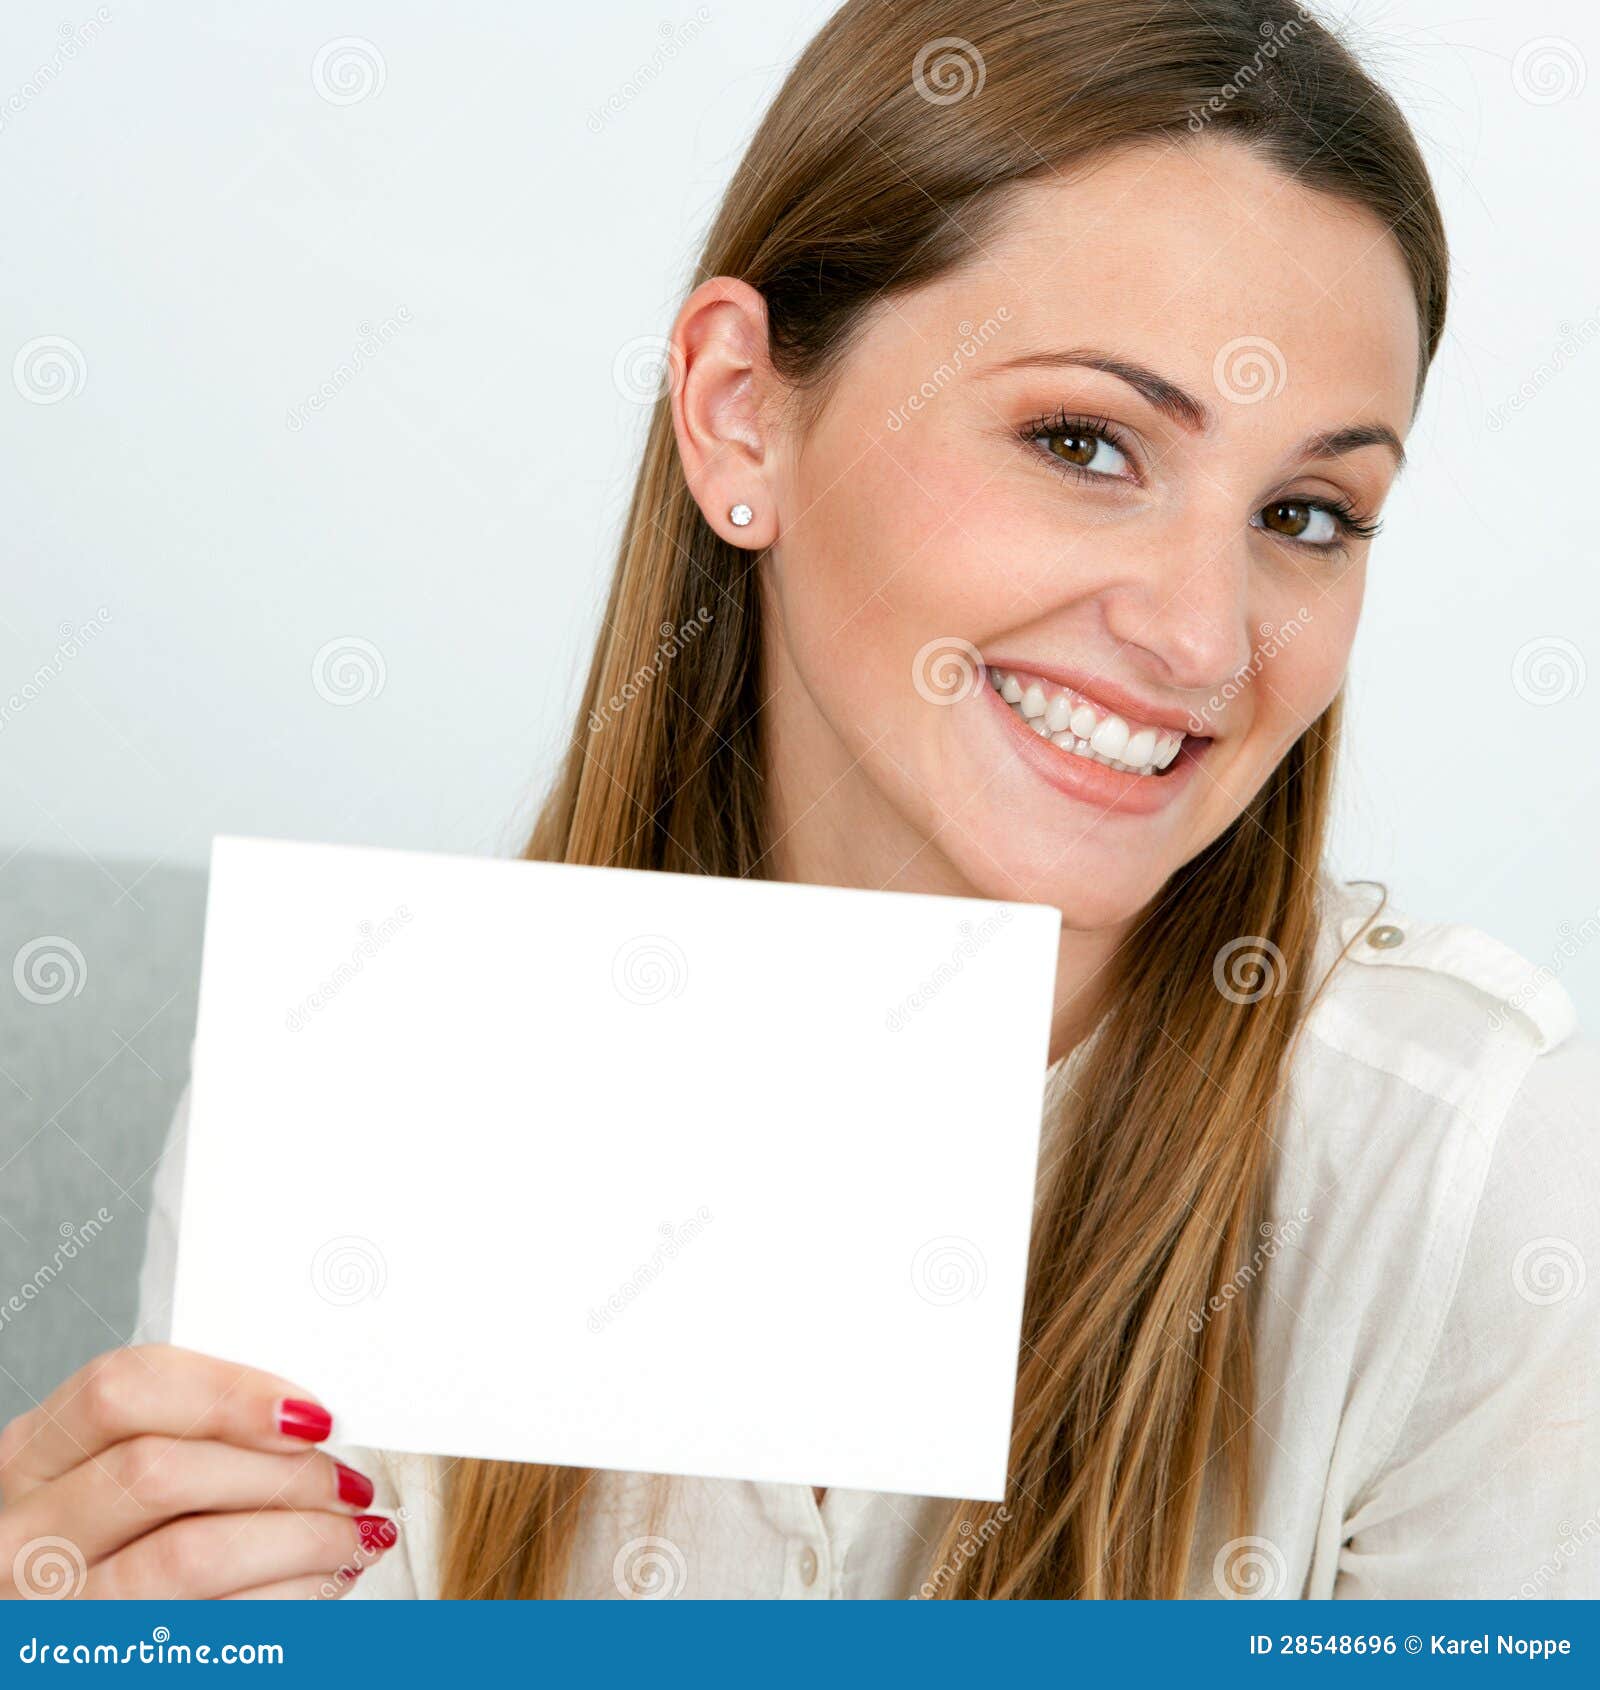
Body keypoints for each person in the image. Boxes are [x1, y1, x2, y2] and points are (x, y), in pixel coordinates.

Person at [4, 0, 1596, 1600]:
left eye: (1310, 515)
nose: (1201, 634)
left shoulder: (1478, 1177)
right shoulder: (363, 1098)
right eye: (1081, 440)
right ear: (739, 410)